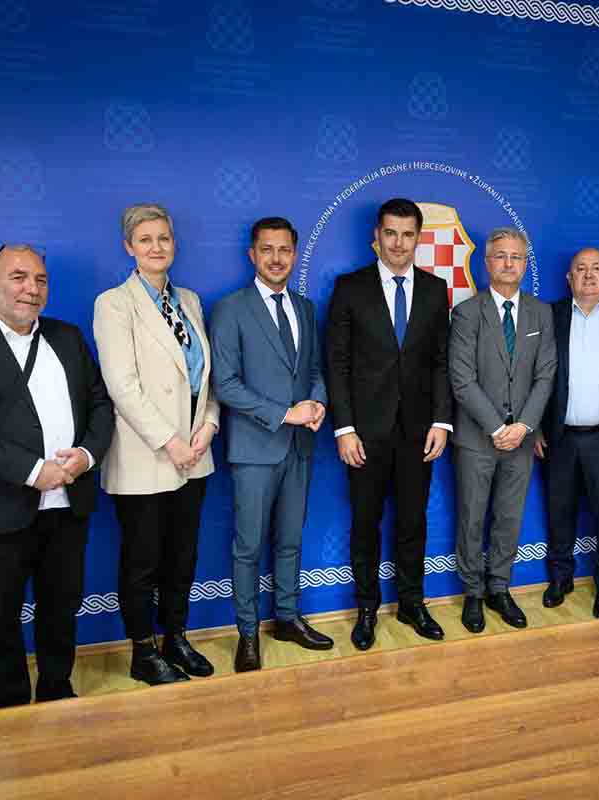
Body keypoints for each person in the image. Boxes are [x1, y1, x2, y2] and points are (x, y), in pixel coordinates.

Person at [0, 243, 113, 708]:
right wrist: (33, 471)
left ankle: (57, 691)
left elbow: (99, 404)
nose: (32, 288)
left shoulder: (67, 337)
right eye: (19, 277)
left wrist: (87, 455)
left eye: (40, 280)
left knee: (61, 608)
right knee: (2, 618)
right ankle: (8, 711)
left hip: (68, 505)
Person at [93, 204, 219, 685]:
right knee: (143, 561)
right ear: (129, 247)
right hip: (145, 456)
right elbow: (121, 386)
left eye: (163, 238)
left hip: (195, 455)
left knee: (182, 556)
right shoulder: (114, 304)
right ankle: (143, 652)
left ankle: (176, 639)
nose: (156, 247)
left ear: (174, 243)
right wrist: (170, 442)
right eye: (145, 239)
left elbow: (204, 378)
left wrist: (208, 426)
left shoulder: (189, 300)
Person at [325, 198, 453, 650]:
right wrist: (344, 429)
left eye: (407, 234)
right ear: (376, 236)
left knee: (413, 521)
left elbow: (441, 363)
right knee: (365, 522)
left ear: (418, 238)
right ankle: (366, 608)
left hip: (419, 432)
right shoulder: (349, 288)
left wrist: (441, 420)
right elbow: (336, 363)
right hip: (364, 433)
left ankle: (412, 603)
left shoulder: (436, 290)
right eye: (391, 233)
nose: (399, 243)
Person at [210, 216, 330, 672]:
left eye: (284, 250)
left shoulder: (305, 308)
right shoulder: (230, 309)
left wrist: (317, 403)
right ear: (252, 255)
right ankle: (247, 633)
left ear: (295, 254)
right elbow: (225, 383)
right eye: (267, 250)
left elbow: (314, 370)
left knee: (290, 540)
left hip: (299, 446)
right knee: (248, 547)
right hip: (254, 449)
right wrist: (284, 413)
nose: (276, 258)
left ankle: (287, 617)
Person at [449, 226, 556, 632]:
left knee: (509, 517)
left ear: (525, 264)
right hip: (477, 438)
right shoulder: (466, 313)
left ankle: (499, 587)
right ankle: (473, 593)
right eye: (501, 256)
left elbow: (545, 375)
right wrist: (497, 427)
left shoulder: (541, 313)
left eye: (517, 257)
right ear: (487, 262)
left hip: (522, 440)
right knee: (472, 518)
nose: (509, 264)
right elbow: (462, 380)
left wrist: (524, 425)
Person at [535, 247, 599, 617]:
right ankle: (560, 578)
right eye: (581, 269)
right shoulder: (550, 315)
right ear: (569, 278)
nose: (589, 275)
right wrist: (534, 426)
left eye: (597, 268)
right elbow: (535, 375)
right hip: (559, 436)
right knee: (559, 511)